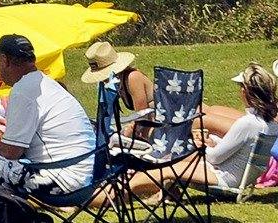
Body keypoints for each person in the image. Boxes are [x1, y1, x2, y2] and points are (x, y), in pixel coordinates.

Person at [0, 35, 95, 206]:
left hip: (62, 182)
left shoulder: (23, 90)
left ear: (4, 60)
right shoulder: (46, 83)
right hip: (87, 176)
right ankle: (12, 216)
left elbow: (10, 152)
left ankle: (4, 219)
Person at [117, 63, 277, 202]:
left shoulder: (247, 123)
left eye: (241, 87)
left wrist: (202, 146)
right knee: (174, 160)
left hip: (226, 178)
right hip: (240, 177)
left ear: (245, 92)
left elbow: (214, 158)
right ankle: (166, 194)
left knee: (165, 168)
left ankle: (115, 195)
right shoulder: (270, 123)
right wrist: (212, 143)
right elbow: (239, 150)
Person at [81, 41, 153, 134]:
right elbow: (106, 113)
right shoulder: (115, 83)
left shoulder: (133, 78)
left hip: (161, 123)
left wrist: (127, 134)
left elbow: (142, 116)